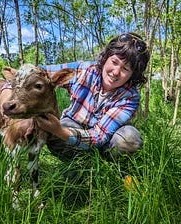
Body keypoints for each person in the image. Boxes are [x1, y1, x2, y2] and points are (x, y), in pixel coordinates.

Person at [37, 32, 150, 161]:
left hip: (108, 141)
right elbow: (40, 72)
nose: (116, 72)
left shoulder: (130, 97)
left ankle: (109, 168)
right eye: (114, 62)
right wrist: (10, 87)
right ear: (106, 57)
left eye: (125, 69)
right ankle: (79, 166)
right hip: (74, 127)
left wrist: (59, 131)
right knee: (61, 129)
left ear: (133, 75)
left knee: (129, 139)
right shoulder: (84, 70)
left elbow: (99, 136)